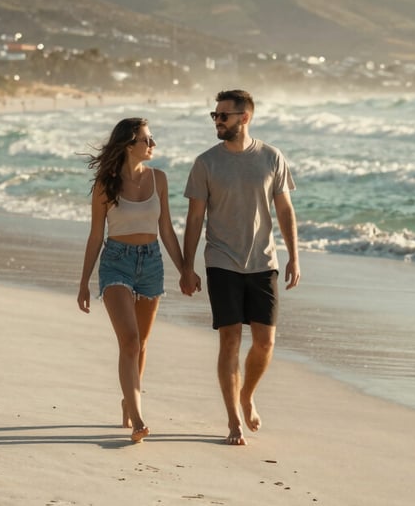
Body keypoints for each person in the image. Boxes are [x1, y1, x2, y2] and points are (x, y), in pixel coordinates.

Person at [180, 89, 300, 446]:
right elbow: (195, 217)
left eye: (223, 116)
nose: (217, 121)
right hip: (221, 260)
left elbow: (284, 210)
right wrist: (187, 267)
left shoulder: (271, 157)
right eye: (214, 116)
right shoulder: (206, 163)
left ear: (244, 118)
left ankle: (247, 394)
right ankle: (233, 419)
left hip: (263, 261)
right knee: (230, 339)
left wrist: (294, 255)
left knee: (265, 342)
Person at [77, 117, 188, 443]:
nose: (152, 145)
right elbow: (96, 234)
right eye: (146, 140)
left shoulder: (160, 179)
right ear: (129, 145)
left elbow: (166, 229)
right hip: (116, 263)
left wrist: (184, 269)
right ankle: (138, 418)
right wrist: (84, 281)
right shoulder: (105, 184)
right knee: (129, 340)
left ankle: (129, 399)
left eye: (152, 139)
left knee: (141, 344)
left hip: (151, 263)